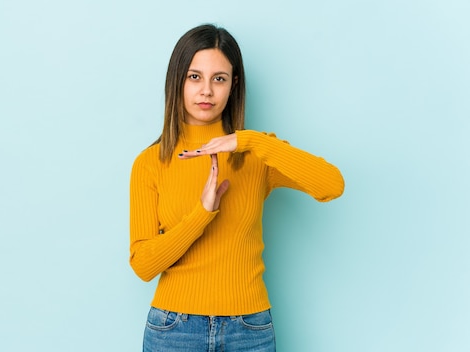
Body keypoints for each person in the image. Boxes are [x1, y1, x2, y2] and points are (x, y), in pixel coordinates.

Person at [129, 24, 344, 352]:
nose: (206, 91)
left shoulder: (256, 155)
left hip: (249, 329)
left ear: (234, 85)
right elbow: (143, 265)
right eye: (194, 77)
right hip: (174, 329)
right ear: (178, 81)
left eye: (219, 79)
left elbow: (332, 184)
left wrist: (249, 140)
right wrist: (202, 214)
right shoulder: (150, 162)